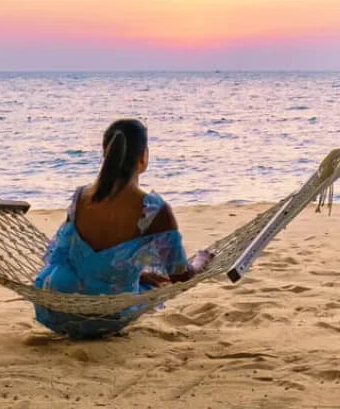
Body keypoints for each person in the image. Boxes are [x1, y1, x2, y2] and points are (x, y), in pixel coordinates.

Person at [33, 118, 211, 338]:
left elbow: (66, 256)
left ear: (105, 153)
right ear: (144, 157)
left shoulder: (80, 197)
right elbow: (180, 277)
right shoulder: (154, 210)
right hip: (106, 316)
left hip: (55, 307)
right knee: (151, 288)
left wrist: (139, 274)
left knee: (144, 283)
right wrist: (202, 261)